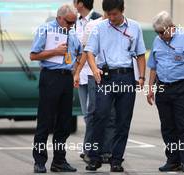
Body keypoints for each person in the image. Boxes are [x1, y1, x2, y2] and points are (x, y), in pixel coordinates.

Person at [84, 0, 146, 172]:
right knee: (100, 116)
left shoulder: (135, 27)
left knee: (123, 120)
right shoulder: (99, 28)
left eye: (115, 14)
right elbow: (89, 51)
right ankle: (94, 157)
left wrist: (141, 77)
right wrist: (94, 68)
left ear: (122, 10)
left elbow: (141, 54)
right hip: (106, 78)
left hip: (127, 77)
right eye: (108, 14)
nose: (111, 18)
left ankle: (116, 159)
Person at [147, 11, 184, 173]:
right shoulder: (158, 41)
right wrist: (150, 88)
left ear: (171, 27)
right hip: (163, 88)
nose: (159, 35)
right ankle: (173, 160)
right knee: (168, 126)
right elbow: (153, 66)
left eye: (162, 32)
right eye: (157, 32)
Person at [30, 4, 81, 173]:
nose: (71, 25)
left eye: (73, 22)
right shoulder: (45, 30)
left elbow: (80, 52)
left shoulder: (72, 33)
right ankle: (39, 161)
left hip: (67, 78)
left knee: (64, 123)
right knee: (45, 121)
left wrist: (76, 69)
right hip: (50, 77)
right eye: (68, 22)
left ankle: (59, 160)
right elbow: (33, 55)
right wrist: (55, 51)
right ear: (59, 18)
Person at [74, 11, 116, 164]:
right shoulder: (93, 25)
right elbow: (86, 51)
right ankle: (89, 150)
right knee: (93, 113)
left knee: (111, 114)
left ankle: (107, 151)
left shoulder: (121, 25)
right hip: (95, 73)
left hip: (113, 75)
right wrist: (78, 71)